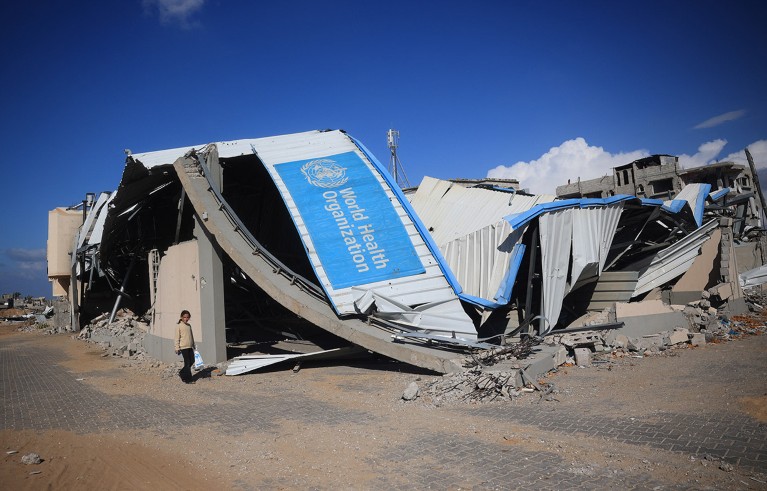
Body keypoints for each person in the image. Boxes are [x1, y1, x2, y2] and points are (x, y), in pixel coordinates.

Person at [175, 310, 196, 384]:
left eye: (187, 317)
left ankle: (182, 372)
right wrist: (177, 348)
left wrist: (193, 345)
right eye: (184, 317)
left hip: (190, 346)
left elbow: (191, 336)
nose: (186, 319)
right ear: (181, 317)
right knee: (187, 363)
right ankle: (188, 379)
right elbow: (176, 338)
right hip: (183, 347)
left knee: (192, 361)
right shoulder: (179, 326)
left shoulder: (189, 326)